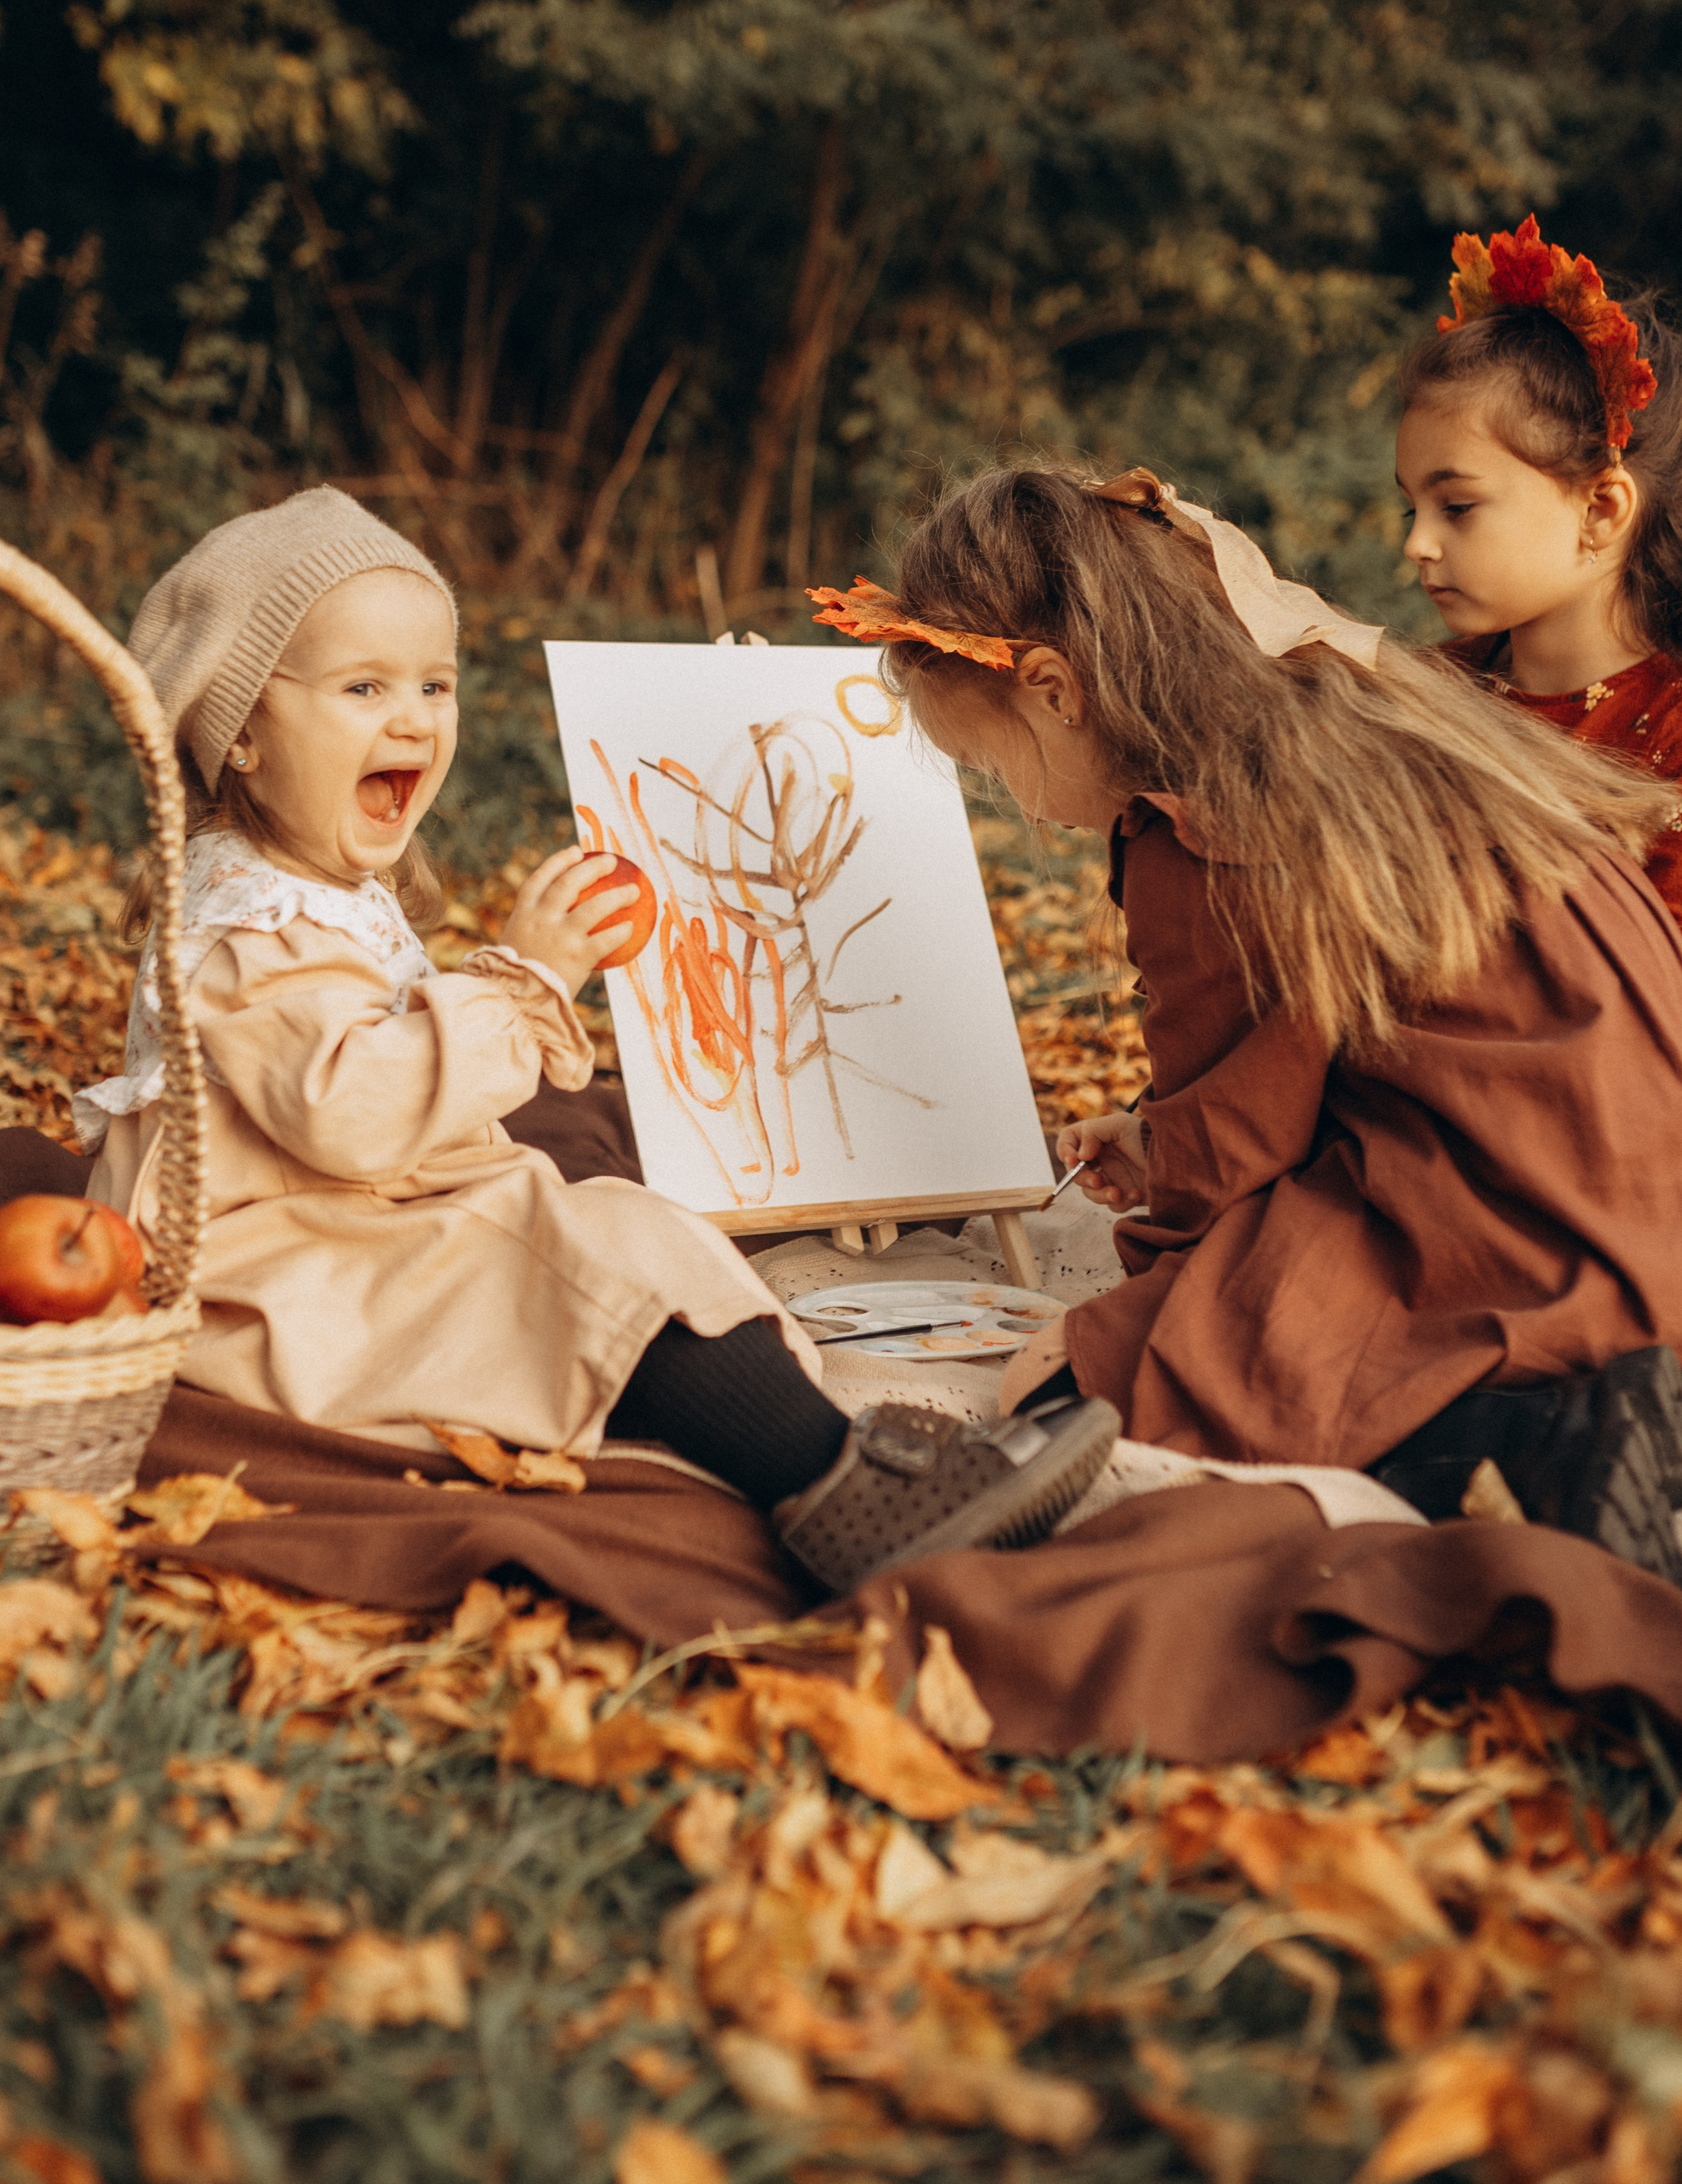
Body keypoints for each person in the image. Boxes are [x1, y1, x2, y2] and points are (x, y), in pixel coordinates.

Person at [79, 487, 1117, 1595]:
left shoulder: (303, 887)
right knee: (590, 1260)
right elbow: (352, 1110)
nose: (416, 719)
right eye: (364, 687)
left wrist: (504, 991)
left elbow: (367, 1075)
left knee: (617, 1227)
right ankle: (846, 1491)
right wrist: (522, 981)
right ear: (238, 733)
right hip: (282, 1279)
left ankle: (852, 1459)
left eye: (435, 685)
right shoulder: (248, 927)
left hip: (349, 1224)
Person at [810, 464, 1682, 1578]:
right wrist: (1160, 1138)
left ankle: (1539, 1440)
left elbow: (1232, 1169)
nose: (1011, 798)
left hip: (1527, 1239)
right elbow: (1329, 1052)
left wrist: (1149, 1322)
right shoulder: (1342, 705)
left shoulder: (1200, 827)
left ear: (1057, 691)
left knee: (1070, 1375)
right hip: (1669, 1221)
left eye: (990, 764)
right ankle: (1660, 1375)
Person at [1396, 214, 1682, 1083]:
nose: (1417, 545)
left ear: (1601, 510)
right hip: (1444, 1098)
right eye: (1412, 508)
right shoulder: (1432, 692)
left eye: (1458, 507)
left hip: (1647, 1135)